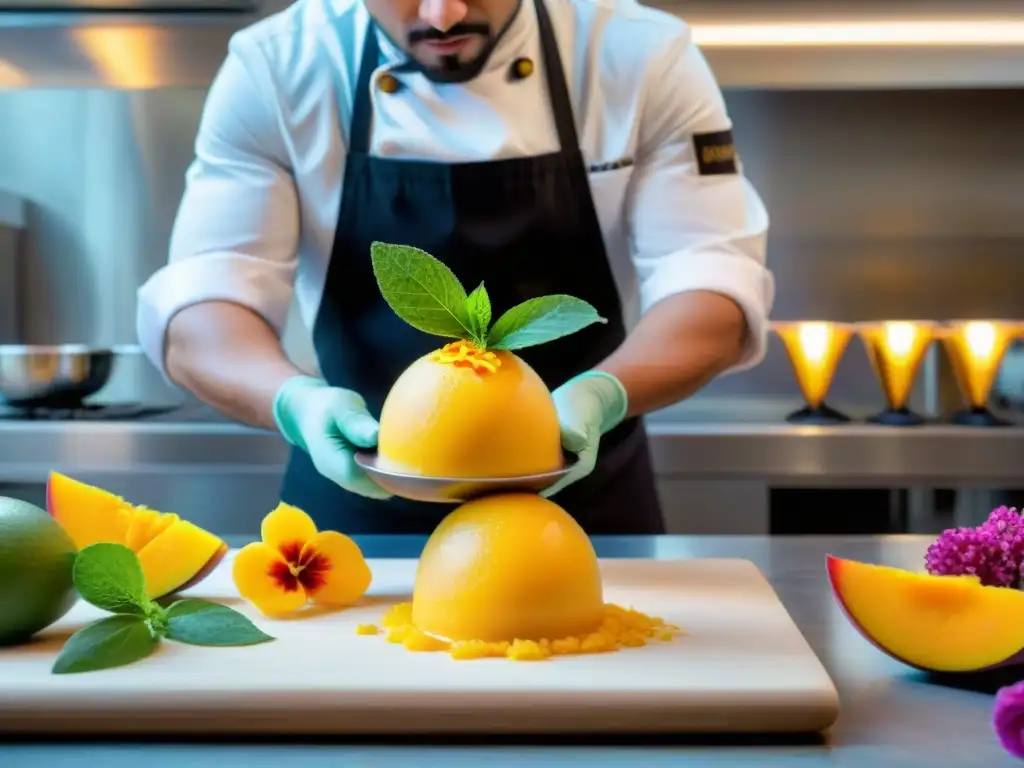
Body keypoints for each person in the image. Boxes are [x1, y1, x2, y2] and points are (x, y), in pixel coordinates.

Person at [136, 0, 774, 536]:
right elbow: (206, 299)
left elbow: (709, 281)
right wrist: (293, 402)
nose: (443, 14)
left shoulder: (638, 55)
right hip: (356, 512)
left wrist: (601, 396)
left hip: (584, 506)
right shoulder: (279, 65)